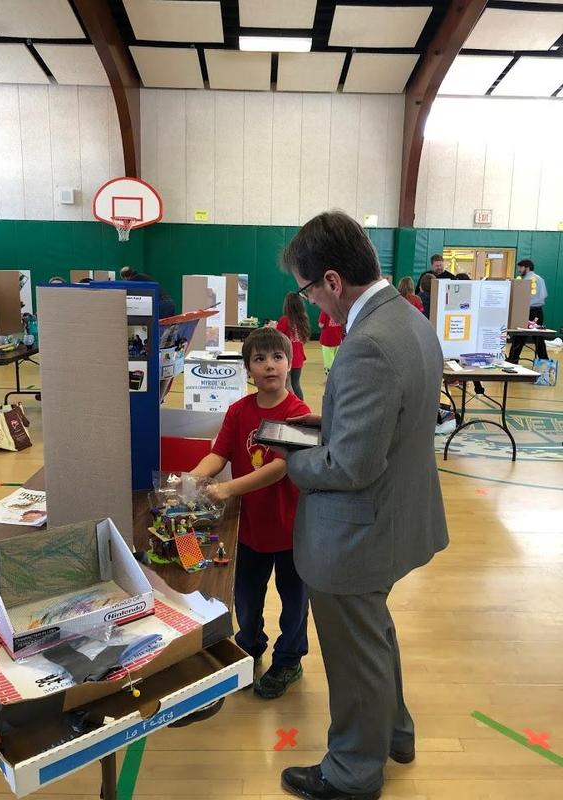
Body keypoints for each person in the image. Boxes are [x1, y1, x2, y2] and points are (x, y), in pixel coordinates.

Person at [278, 211, 449, 800]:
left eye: (307, 289)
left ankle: (352, 771)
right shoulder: (409, 320)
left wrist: (289, 462)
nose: (310, 303)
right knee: (372, 633)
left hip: (357, 533)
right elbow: (387, 420)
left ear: (330, 280)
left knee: (352, 657)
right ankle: (395, 732)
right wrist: (316, 423)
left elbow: (350, 466)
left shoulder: (366, 343)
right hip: (398, 515)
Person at [190, 327, 310, 700]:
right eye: (259, 359)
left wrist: (226, 488)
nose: (269, 365)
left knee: (294, 602)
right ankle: (249, 646)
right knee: (245, 598)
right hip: (248, 530)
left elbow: (280, 467)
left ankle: (289, 659)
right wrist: (192, 478)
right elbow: (219, 453)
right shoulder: (238, 411)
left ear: (290, 364)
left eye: (277, 357)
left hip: (292, 531)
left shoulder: (299, 413)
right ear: (247, 369)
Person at [508, 259, 549, 363]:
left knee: (520, 336)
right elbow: (544, 295)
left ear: (526, 267)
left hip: (527, 310)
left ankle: (513, 359)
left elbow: (521, 297)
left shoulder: (525, 280)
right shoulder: (540, 279)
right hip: (538, 311)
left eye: (520, 267)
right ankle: (544, 361)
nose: (519, 270)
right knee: (538, 338)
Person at [276, 292, 310, 401]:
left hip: (287, 358)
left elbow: (277, 337)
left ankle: (290, 406)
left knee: (285, 385)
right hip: (298, 358)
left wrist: (272, 328)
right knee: (296, 384)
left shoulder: (284, 320)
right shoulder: (302, 321)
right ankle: (300, 406)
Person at [318, 310, 343, 376]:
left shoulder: (325, 310)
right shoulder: (339, 309)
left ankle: (331, 378)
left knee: (329, 361)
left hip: (327, 340)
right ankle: (338, 375)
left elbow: (321, 325)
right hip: (338, 338)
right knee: (336, 359)